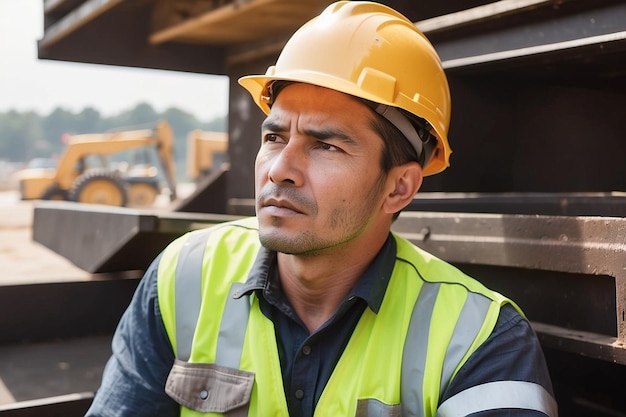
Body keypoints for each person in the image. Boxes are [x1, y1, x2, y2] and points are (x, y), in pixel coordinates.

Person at [86, 2, 557, 416]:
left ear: (399, 187)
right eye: (274, 137)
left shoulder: (479, 339)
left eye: (325, 145)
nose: (280, 169)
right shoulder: (182, 278)